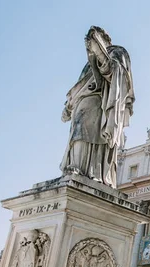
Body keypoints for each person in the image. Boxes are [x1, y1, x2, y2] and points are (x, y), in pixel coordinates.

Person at [60, 26, 134, 188]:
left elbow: (115, 74)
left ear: (103, 38)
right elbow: (80, 86)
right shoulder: (88, 64)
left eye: (92, 39)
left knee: (84, 130)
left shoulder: (118, 52)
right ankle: (78, 167)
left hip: (101, 101)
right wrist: (69, 105)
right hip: (83, 101)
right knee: (77, 131)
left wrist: (100, 53)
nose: (89, 43)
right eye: (87, 41)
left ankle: (85, 169)